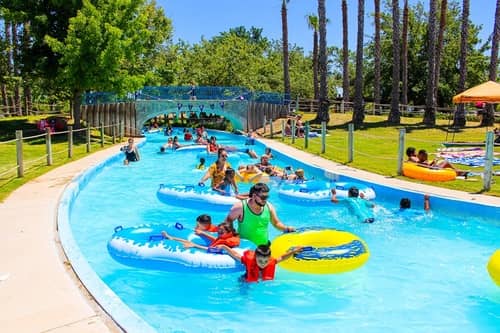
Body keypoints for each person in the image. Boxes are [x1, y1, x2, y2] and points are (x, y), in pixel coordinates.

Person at [224, 182, 295, 246]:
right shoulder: (240, 207)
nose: (265, 200)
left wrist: (286, 228)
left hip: (263, 248)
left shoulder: (269, 206)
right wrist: (233, 234)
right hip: (245, 248)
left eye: (267, 197)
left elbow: (276, 223)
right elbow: (228, 221)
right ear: (254, 196)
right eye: (263, 197)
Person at [217, 243, 303, 282]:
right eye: (260, 261)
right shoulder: (249, 260)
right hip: (246, 279)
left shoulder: (271, 262)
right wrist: (224, 247)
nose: (263, 263)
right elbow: (235, 255)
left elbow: (282, 257)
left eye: (266, 261)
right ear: (255, 258)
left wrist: (293, 251)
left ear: (269, 259)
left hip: (262, 280)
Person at [161, 221, 240, 251]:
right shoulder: (225, 237)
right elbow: (216, 239)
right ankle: (170, 237)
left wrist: (194, 245)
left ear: (229, 232)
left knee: (190, 243)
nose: (219, 232)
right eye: (218, 231)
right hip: (212, 248)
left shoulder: (228, 241)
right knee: (188, 241)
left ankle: (170, 238)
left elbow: (212, 249)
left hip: (211, 252)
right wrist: (203, 233)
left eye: (221, 231)